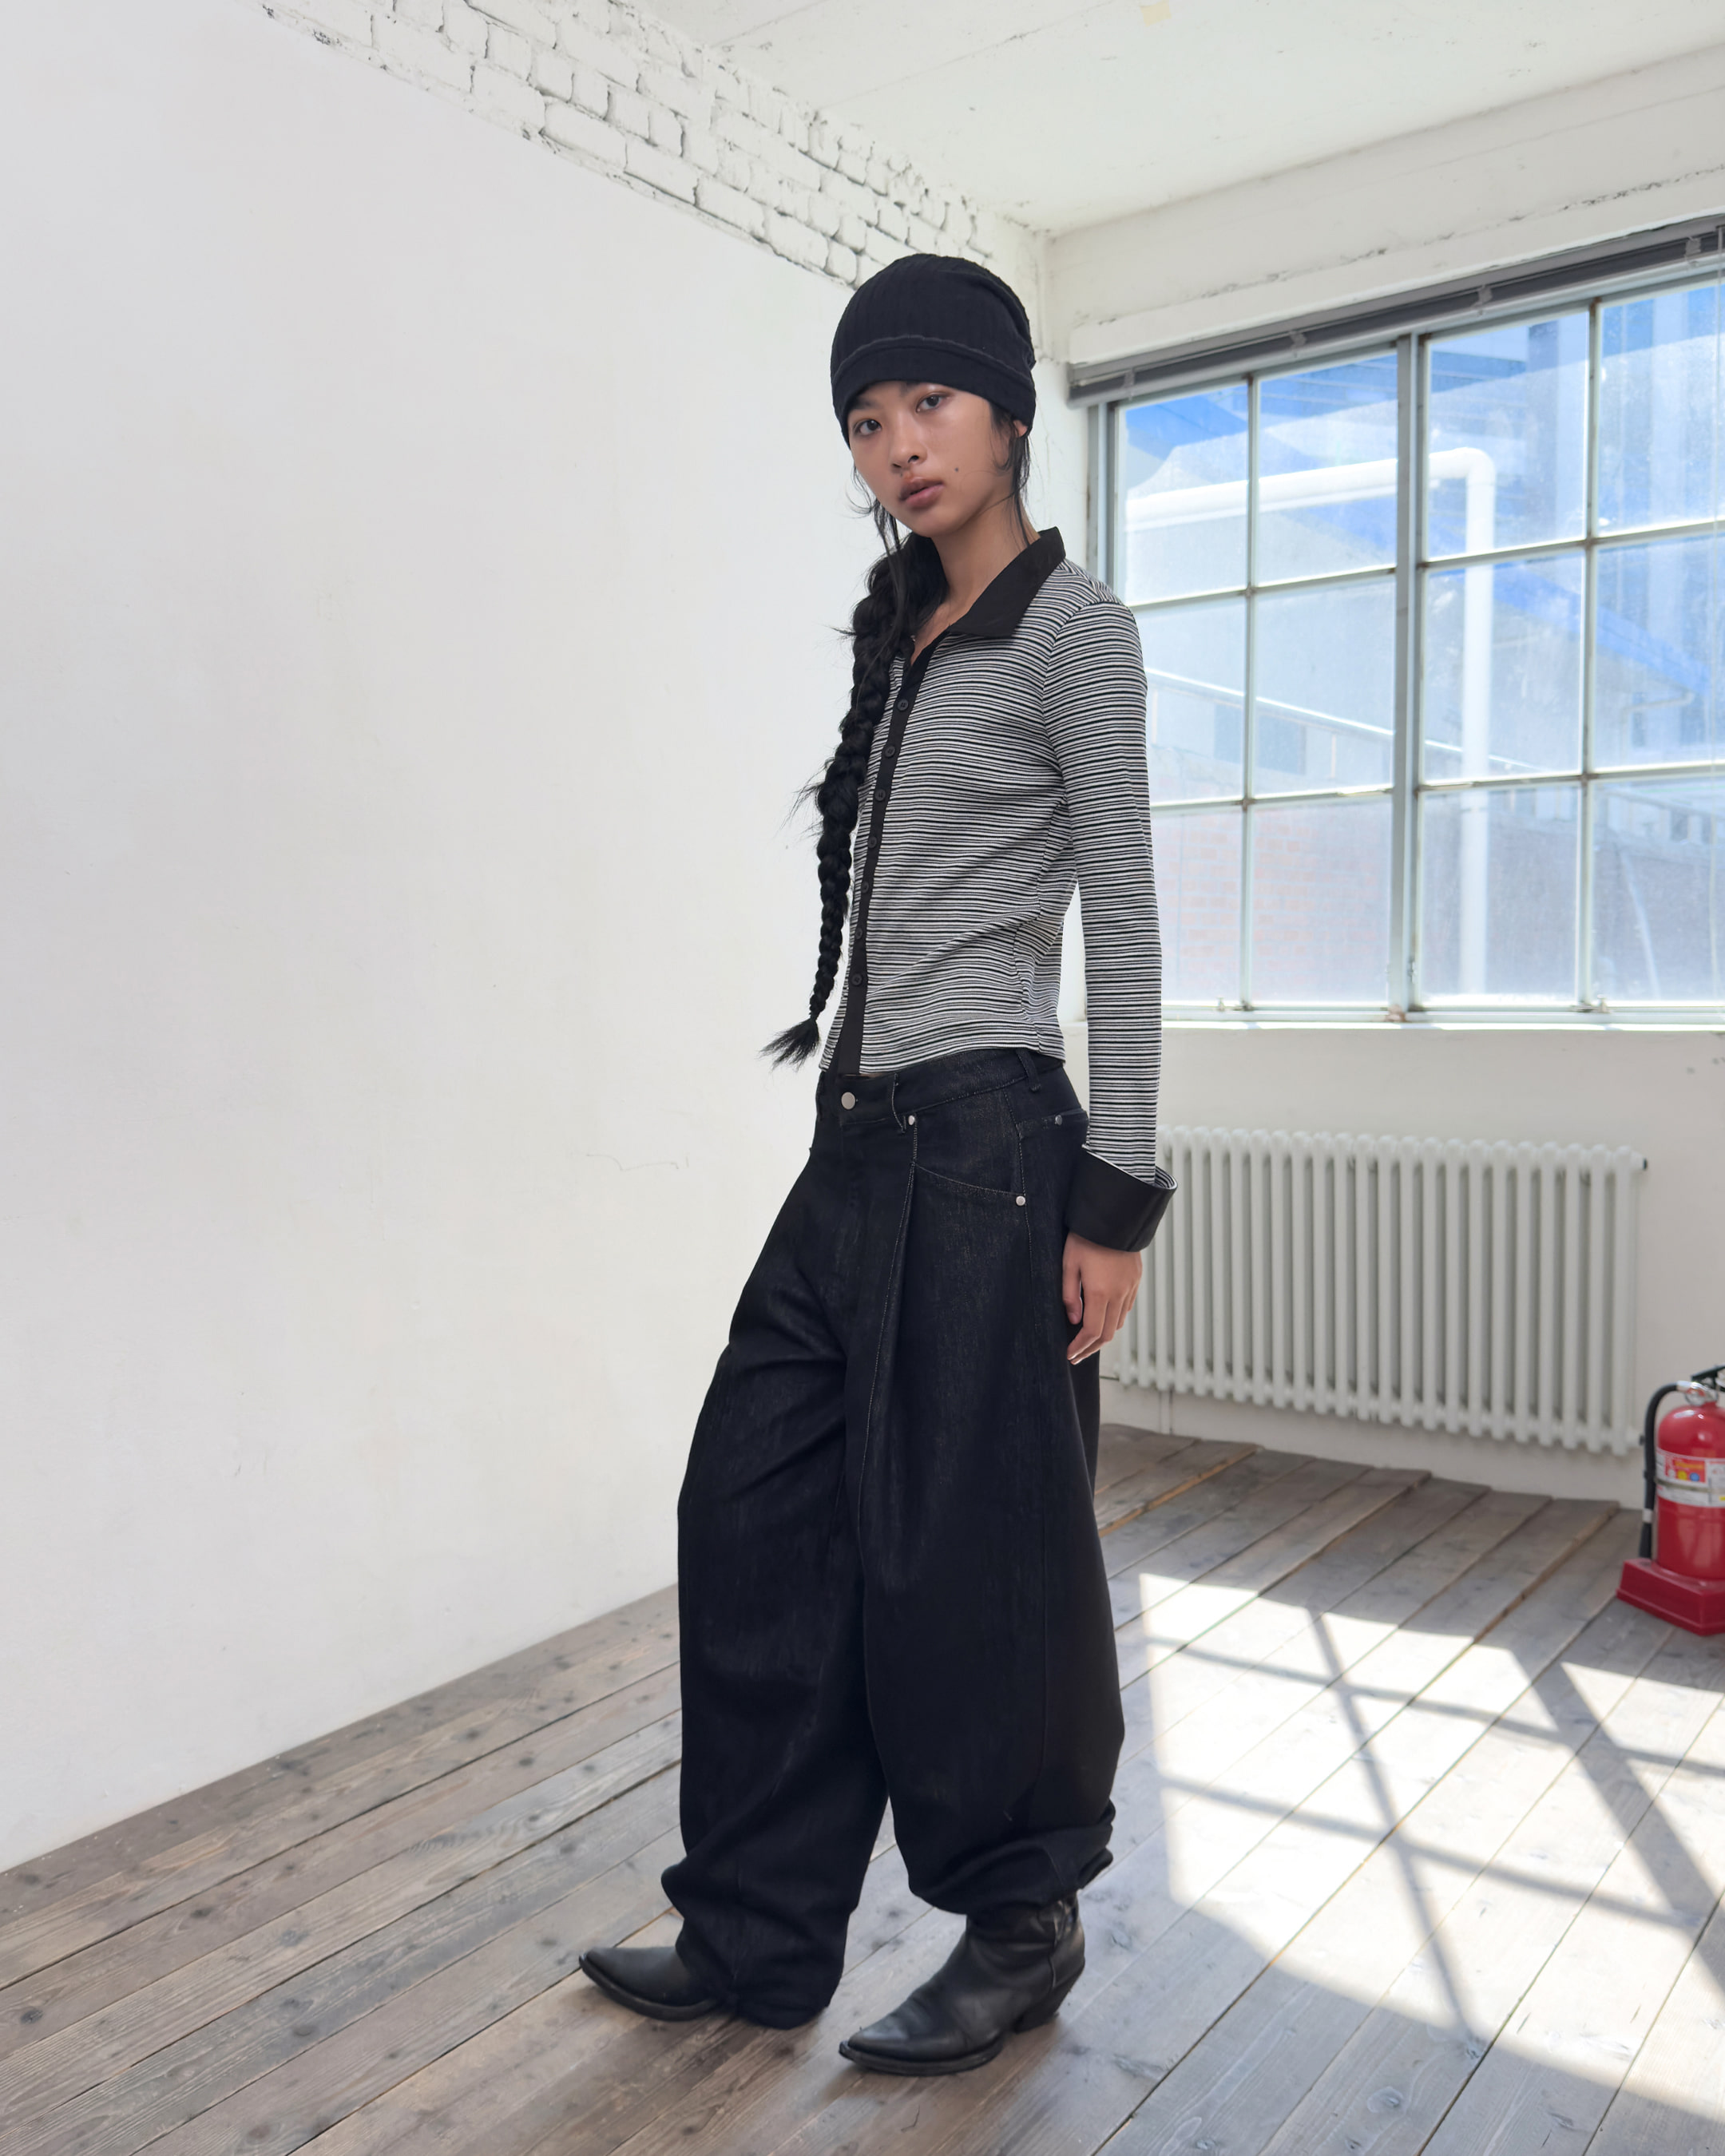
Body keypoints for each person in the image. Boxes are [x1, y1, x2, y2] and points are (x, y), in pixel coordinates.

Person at [578, 254, 1172, 2077]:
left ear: (1007, 413)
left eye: (928, 403)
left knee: (967, 1557)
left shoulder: (1074, 631)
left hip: (992, 1144)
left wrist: (1117, 1202)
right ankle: (759, 1929)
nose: (898, 445)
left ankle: (1020, 1922)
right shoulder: (904, 626)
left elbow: (1129, 920)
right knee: (752, 1511)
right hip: (856, 1149)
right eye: (864, 419)